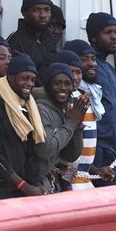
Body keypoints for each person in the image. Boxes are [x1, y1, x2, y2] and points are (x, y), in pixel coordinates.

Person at [0, 51, 47, 201]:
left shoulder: (28, 107)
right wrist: (23, 185)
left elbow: (30, 152)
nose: (29, 83)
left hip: (22, 191)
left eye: (33, 79)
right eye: (25, 78)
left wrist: (37, 182)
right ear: (10, 78)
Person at [62, 41, 116, 189]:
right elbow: (61, 158)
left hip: (84, 182)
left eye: (93, 58)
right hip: (72, 183)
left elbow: (82, 157)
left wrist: (95, 170)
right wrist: (68, 184)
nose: (92, 63)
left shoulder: (88, 96)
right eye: (84, 59)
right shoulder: (66, 99)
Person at [33, 62, 87, 193]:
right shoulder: (41, 109)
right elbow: (45, 149)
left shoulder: (64, 109)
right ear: (47, 86)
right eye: (57, 83)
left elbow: (70, 156)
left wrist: (77, 127)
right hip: (36, 183)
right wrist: (71, 123)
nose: (63, 88)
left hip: (51, 182)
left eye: (67, 84)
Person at [86, 12, 116, 186]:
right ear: (93, 37)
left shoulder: (110, 70)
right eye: (108, 32)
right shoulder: (89, 69)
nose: (114, 37)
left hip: (112, 150)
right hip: (96, 150)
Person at [7, 0, 56, 87]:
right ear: (24, 13)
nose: (43, 15)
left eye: (47, 10)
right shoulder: (16, 41)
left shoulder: (48, 39)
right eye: (36, 10)